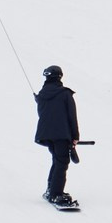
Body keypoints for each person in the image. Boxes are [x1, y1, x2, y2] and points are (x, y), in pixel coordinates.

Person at [33, 64, 80, 206]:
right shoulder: (65, 94)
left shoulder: (41, 95)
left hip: (46, 135)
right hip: (61, 134)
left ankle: (51, 189)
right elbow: (72, 117)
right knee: (62, 162)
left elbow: (42, 114)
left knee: (57, 160)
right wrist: (75, 136)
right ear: (60, 77)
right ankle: (55, 194)